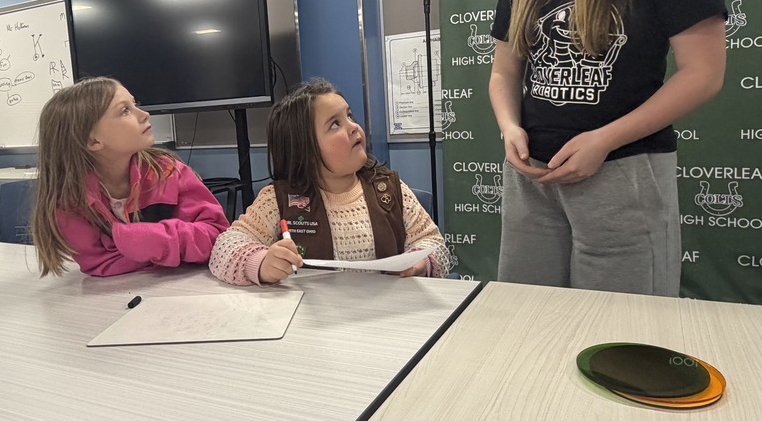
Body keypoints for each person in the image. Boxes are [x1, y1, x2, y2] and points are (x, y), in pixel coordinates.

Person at [488, 0, 727, 296]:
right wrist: (510, 128)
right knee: (527, 317)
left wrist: (603, 140)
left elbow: (703, 73)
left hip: (623, 173)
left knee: (623, 333)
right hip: (532, 176)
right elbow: (503, 71)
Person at [209, 79, 451, 285]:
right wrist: (260, 263)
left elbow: (435, 244)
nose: (353, 127)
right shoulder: (280, 198)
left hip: (384, 319)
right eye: (335, 124)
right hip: (313, 324)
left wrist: (421, 262)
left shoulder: (388, 188)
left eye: (349, 116)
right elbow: (224, 248)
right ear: (304, 148)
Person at [31, 77, 229, 277]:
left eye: (135, 105)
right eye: (124, 110)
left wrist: (147, 239)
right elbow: (98, 264)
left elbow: (217, 236)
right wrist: (178, 249)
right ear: (93, 141)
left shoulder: (169, 172)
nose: (144, 114)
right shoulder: (70, 199)